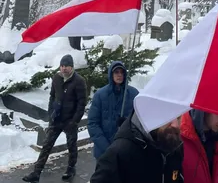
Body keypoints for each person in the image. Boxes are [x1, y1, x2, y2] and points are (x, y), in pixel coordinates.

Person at [23, 54, 87, 182]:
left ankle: (70, 168)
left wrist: (74, 121)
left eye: (66, 66)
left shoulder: (79, 81)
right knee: (46, 145)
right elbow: (52, 96)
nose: (63, 69)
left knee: (71, 145)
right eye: (62, 66)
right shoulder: (57, 78)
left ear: (72, 67)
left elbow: (82, 103)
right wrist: (50, 112)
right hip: (57, 118)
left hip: (70, 120)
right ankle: (36, 173)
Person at [90, 112, 184, 183]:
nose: (175, 125)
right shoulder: (120, 153)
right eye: (168, 116)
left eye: (179, 117)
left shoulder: (173, 146)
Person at [87, 61, 139, 160]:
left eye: (122, 72)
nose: (119, 75)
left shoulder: (133, 94)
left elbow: (140, 120)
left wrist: (127, 124)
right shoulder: (100, 95)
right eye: (116, 72)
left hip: (127, 149)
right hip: (104, 152)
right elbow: (93, 123)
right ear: (111, 74)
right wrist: (107, 148)